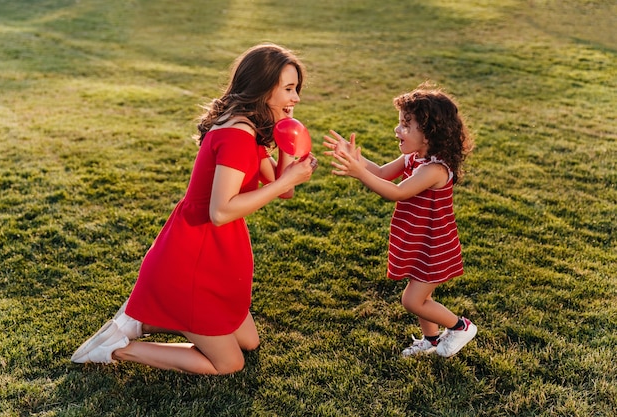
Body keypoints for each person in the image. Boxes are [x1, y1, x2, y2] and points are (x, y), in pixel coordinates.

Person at [71, 43, 318, 374]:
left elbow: (281, 187)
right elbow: (221, 210)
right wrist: (285, 181)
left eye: (296, 89)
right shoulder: (237, 135)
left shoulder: (250, 126)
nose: (296, 98)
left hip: (217, 250)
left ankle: (140, 320)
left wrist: (289, 142)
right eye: (289, 89)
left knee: (249, 341)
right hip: (196, 255)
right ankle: (120, 349)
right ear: (262, 86)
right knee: (230, 362)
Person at [323, 82, 476, 357]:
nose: (397, 130)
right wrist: (355, 158)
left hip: (434, 247)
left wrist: (359, 172)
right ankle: (430, 342)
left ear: (429, 133)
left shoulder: (436, 170)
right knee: (422, 297)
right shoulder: (413, 158)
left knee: (412, 300)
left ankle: (460, 326)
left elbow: (396, 192)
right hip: (419, 240)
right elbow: (382, 173)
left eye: (406, 124)